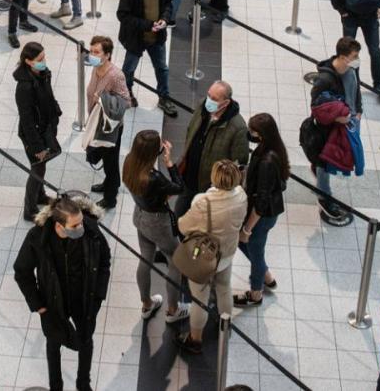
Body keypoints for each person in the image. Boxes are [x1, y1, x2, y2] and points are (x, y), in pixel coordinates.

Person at [13, 194, 110, 391]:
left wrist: (98, 296)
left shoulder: (90, 230)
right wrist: (38, 305)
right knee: (53, 341)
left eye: (81, 222)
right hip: (52, 300)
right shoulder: (37, 238)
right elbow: (22, 271)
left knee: (86, 339)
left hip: (84, 298)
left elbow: (104, 261)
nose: (81, 228)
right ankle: (55, 386)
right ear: (59, 226)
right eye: (75, 226)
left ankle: (84, 384)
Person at [176, 159, 248, 355]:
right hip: (227, 254)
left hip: (204, 259)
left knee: (200, 298)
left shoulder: (203, 202)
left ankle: (195, 339)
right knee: (224, 288)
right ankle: (225, 325)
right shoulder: (242, 196)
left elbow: (183, 226)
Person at [122, 131, 190, 323]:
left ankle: (146, 304)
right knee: (175, 261)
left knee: (146, 258)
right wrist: (169, 162)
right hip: (158, 223)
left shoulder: (129, 162)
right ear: (154, 152)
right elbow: (179, 188)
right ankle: (173, 310)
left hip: (140, 216)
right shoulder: (154, 178)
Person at [309, 38, 364, 226]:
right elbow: (316, 106)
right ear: (342, 57)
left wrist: (359, 111)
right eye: (354, 56)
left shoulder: (351, 70)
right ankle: (324, 197)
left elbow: (356, 91)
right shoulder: (325, 79)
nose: (357, 60)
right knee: (325, 162)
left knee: (335, 157)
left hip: (348, 123)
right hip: (328, 129)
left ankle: (319, 173)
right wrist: (336, 118)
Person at [176, 82, 250, 218]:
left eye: (214, 99)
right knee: (179, 215)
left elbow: (239, 164)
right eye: (209, 95)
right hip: (189, 175)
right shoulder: (202, 107)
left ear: (226, 102)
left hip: (210, 186)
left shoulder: (238, 128)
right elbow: (190, 131)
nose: (209, 100)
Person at [236, 113, 287, 307]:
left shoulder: (267, 161)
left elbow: (262, 201)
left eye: (252, 131)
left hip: (261, 217)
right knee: (247, 246)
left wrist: (247, 229)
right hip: (263, 213)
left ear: (262, 135)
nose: (250, 134)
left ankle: (256, 293)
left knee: (253, 251)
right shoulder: (271, 149)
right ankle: (266, 276)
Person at [115, 0, 175, 116]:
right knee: (128, 69)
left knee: (162, 68)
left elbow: (169, 4)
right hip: (136, 38)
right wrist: (147, 25)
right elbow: (122, 15)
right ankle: (127, 94)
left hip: (157, 38)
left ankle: (164, 97)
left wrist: (164, 19)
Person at [81, 36, 135, 208]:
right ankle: (111, 184)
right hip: (97, 122)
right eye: (91, 51)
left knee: (110, 162)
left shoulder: (115, 75)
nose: (92, 55)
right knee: (106, 159)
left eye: (96, 52)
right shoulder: (96, 69)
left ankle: (110, 198)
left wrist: (104, 100)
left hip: (110, 127)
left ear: (107, 55)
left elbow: (127, 101)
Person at [14, 42, 62, 221]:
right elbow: (26, 120)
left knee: (41, 167)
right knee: (37, 168)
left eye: (44, 57)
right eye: (40, 59)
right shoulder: (24, 87)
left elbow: (48, 95)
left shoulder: (43, 73)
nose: (44, 61)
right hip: (33, 134)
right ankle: (30, 209)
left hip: (45, 128)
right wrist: (37, 147)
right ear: (28, 61)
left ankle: (40, 196)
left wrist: (55, 109)